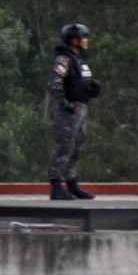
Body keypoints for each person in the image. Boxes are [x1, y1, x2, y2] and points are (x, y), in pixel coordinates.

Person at [46, 23, 101, 200]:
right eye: (84, 38)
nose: (87, 41)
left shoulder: (80, 60)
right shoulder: (64, 59)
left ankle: (71, 184)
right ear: (74, 40)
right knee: (64, 146)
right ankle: (56, 186)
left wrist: (92, 88)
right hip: (69, 110)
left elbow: (84, 82)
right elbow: (55, 82)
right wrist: (63, 102)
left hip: (82, 109)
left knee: (78, 146)